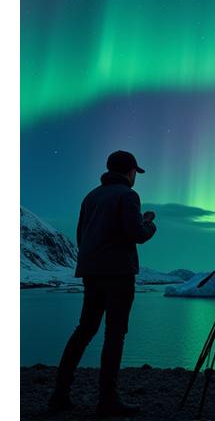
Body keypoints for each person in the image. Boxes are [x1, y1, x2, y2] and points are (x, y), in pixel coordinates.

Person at [48, 150, 157, 417]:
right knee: (115, 333)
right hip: (118, 273)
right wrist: (149, 224)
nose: (136, 177)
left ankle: (59, 394)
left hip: (91, 271)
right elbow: (136, 234)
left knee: (84, 330)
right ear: (129, 171)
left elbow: (80, 236)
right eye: (135, 172)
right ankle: (108, 399)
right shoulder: (128, 195)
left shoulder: (91, 196)